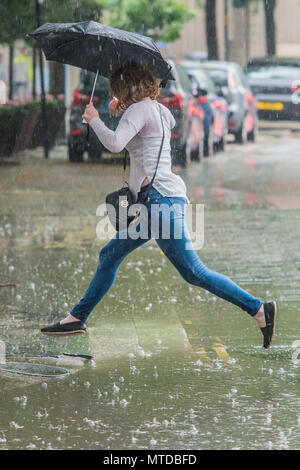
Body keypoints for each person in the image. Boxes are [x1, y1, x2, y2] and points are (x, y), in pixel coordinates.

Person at [41, 61, 277, 349]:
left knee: (194, 271)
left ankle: (258, 308)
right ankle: (77, 317)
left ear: (127, 87)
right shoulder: (159, 110)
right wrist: (124, 111)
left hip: (159, 202)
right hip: (162, 199)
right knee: (110, 254)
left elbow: (115, 143)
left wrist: (94, 119)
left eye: (117, 87)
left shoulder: (140, 110)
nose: (114, 91)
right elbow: (149, 135)